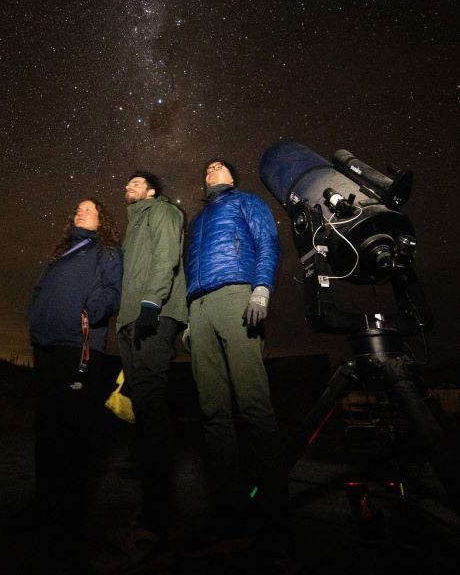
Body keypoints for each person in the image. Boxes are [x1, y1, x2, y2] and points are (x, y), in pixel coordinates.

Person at [184, 159, 294, 565]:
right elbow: (186, 270)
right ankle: (229, 515)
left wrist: (261, 288)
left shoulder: (246, 201)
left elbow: (268, 243)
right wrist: (189, 316)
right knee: (212, 412)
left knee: (253, 406)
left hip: (237, 296)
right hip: (200, 306)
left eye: (218, 166)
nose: (210, 168)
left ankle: (274, 521)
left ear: (232, 178)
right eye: (207, 166)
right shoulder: (197, 220)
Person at [95, 171, 188, 571]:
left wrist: (152, 302)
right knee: (142, 412)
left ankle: (157, 524)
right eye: (126, 184)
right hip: (133, 321)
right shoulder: (133, 228)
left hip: (155, 315)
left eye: (134, 183)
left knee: (151, 403)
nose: (126, 188)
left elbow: (167, 257)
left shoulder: (163, 212)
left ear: (151, 191)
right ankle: (148, 515)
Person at [28, 197, 122, 542]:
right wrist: (34, 319)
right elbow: (40, 290)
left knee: (73, 432)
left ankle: (71, 514)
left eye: (89, 208)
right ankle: (44, 504)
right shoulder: (60, 254)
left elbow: (114, 291)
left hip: (78, 345)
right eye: (78, 208)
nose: (80, 211)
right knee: (47, 428)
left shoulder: (107, 251)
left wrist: (91, 312)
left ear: (102, 220)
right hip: (46, 343)